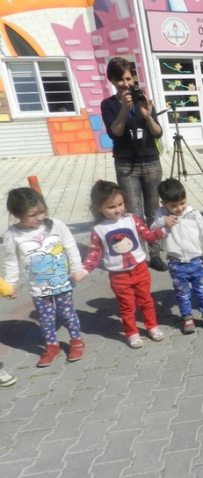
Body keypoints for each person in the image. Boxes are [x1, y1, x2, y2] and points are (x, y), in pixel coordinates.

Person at [76, 181, 166, 349]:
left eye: (120, 204)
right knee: (127, 306)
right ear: (98, 207)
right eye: (111, 207)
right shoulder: (98, 228)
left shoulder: (131, 218)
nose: (117, 209)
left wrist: (163, 230)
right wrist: (84, 270)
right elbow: (94, 253)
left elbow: (147, 234)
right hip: (119, 275)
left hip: (140, 269)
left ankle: (152, 326)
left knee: (146, 300)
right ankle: (131, 333)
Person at [3, 188, 86, 367]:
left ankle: (76, 340)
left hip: (62, 282)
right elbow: (11, 262)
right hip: (38, 287)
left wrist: (77, 268)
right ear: (17, 214)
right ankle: (51, 346)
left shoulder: (55, 225)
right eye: (32, 215)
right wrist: (11, 284)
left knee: (67, 313)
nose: (39, 217)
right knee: (45, 318)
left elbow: (70, 246)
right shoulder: (12, 234)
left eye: (42, 211)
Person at [101, 57, 167, 272]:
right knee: (134, 213)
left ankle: (155, 254)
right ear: (112, 80)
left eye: (128, 78)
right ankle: (137, 254)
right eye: (119, 79)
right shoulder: (108, 104)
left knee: (153, 210)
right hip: (126, 163)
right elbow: (115, 132)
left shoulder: (143, 99)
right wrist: (123, 108)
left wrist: (147, 116)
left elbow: (158, 133)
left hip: (150, 161)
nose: (125, 83)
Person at [152, 178, 203, 335]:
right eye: (174, 205)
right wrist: (162, 221)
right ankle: (187, 317)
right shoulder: (161, 215)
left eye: (182, 203)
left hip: (196, 261)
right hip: (176, 264)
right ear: (163, 203)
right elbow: (151, 231)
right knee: (182, 293)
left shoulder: (193, 213)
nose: (179, 208)